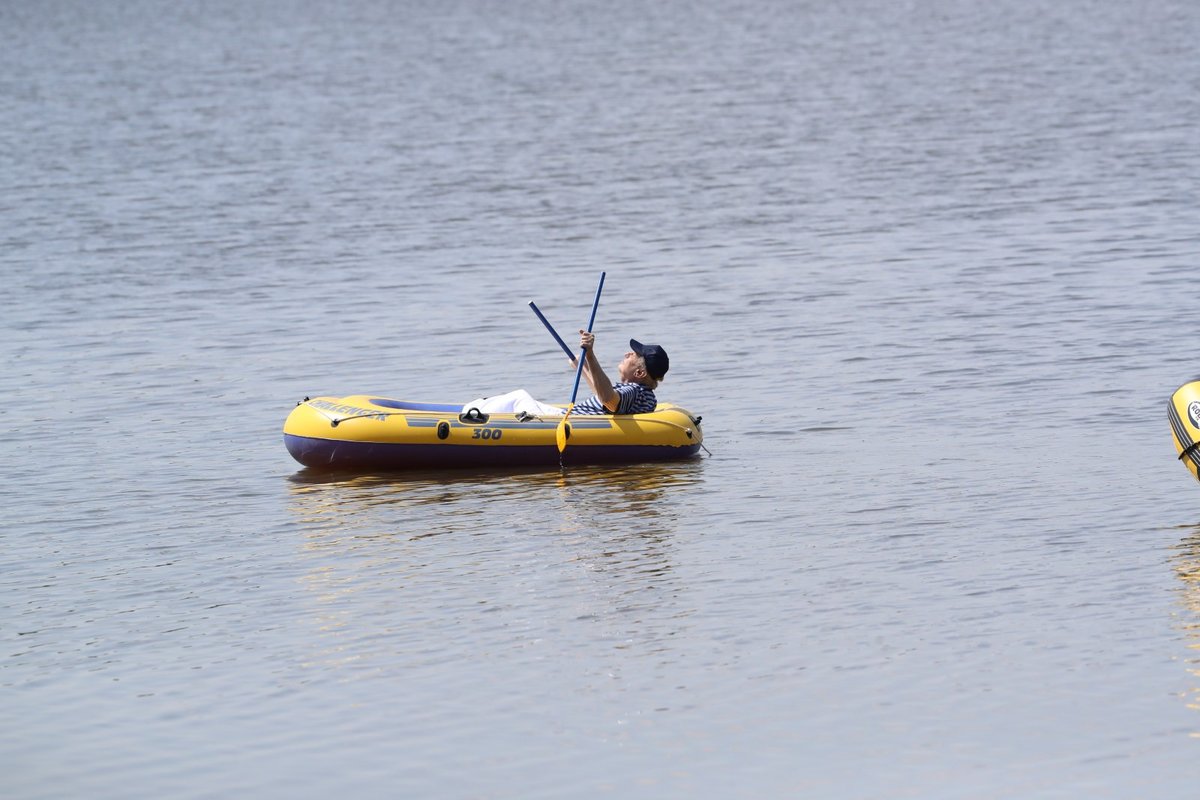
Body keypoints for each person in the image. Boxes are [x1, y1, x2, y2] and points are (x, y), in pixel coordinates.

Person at [462, 332, 670, 418]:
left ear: (640, 372)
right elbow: (605, 398)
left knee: (519, 397)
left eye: (633, 355)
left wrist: (590, 355)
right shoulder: (639, 393)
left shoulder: (636, 391)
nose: (627, 354)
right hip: (569, 419)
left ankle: (468, 414)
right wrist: (583, 368)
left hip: (567, 424)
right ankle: (475, 410)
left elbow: (609, 401)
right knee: (518, 399)